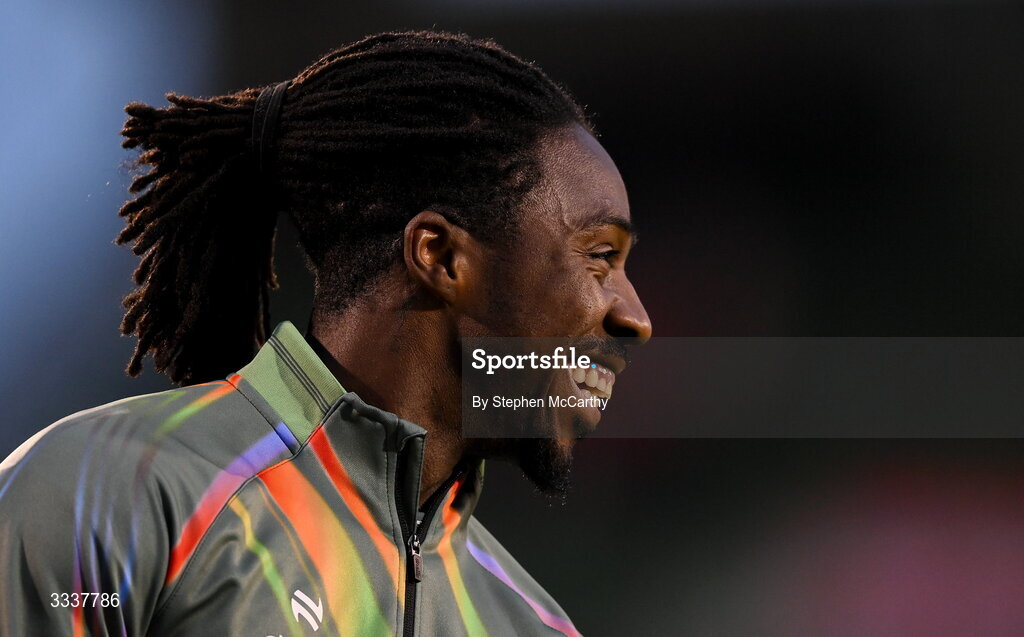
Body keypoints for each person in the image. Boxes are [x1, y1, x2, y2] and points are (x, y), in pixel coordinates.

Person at [0, 30, 650, 636]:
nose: (636, 318)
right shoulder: (110, 494)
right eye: (599, 258)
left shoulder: (536, 624)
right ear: (441, 258)